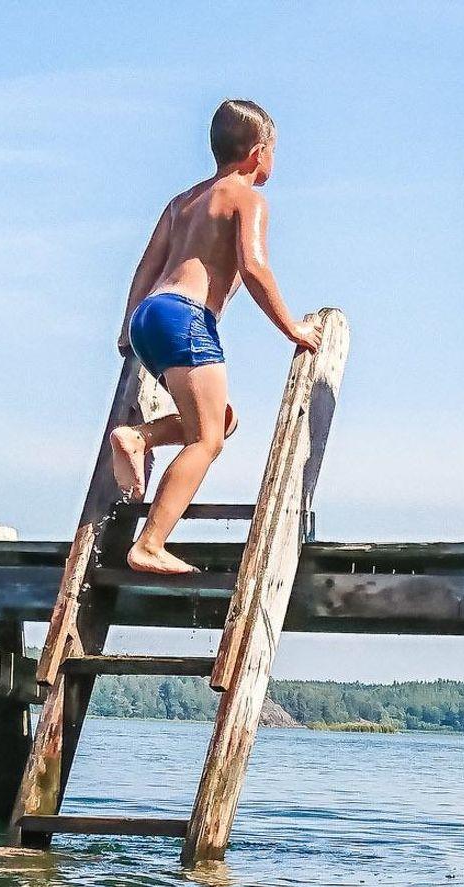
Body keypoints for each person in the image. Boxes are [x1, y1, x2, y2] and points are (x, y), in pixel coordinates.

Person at [109, 100, 323, 576]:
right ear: (259, 152)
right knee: (208, 440)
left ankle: (138, 437)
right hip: (187, 317)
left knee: (218, 421)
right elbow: (254, 266)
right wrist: (293, 327)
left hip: (151, 316)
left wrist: (128, 326)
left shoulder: (182, 201)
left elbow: (147, 265)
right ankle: (150, 544)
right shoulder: (246, 198)